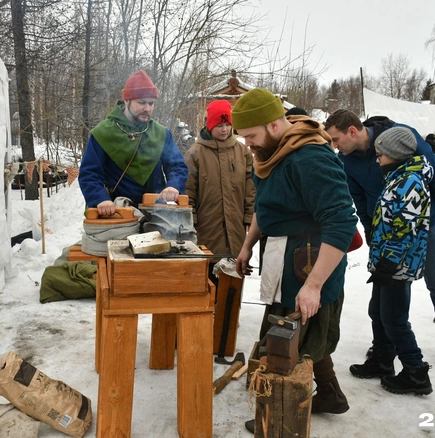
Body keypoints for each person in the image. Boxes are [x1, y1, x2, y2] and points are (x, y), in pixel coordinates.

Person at [232, 89, 357, 430]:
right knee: (300, 335)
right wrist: (247, 246)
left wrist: (314, 285)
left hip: (309, 265)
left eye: (251, 137)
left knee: (286, 344)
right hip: (284, 259)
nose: (247, 145)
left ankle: (278, 420)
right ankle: (330, 395)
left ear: (275, 124)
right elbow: (266, 206)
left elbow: (342, 221)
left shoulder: (308, 158)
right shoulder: (274, 153)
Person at [324, 109, 435, 370]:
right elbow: (359, 197)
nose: (334, 146)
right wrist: (369, 229)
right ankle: (386, 347)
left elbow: (434, 169)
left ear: (352, 132)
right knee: (391, 287)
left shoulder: (399, 136)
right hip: (385, 227)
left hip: (424, 220)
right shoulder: (347, 160)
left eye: (336, 140)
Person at [349, 127, 433, 394]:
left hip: (397, 265)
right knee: (378, 312)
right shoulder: (398, 177)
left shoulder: (409, 182)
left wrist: (390, 261)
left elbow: (403, 228)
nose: (377, 160)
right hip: (386, 261)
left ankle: (415, 371)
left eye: (381, 155)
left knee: (394, 319)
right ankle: (383, 360)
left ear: (395, 155)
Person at [78, 70, 188, 216]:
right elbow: (89, 174)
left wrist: (173, 185)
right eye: (141, 102)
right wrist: (101, 199)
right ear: (126, 100)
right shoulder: (102, 133)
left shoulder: (161, 133)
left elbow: (177, 166)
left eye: (151, 103)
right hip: (117, 214)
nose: (147, 108)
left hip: (156, 213)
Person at [184, 100, 255, 278]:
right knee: (208, 280)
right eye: (219, 125)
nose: (224, 130)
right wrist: (190, 220)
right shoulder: (196, 153)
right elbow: (188, 190)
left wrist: (249, 217)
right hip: (207, 229)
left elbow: (251, 187)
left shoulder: (243, 152)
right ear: (210, 125)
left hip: (236, 228)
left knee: (233, 284)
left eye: (227, 125)